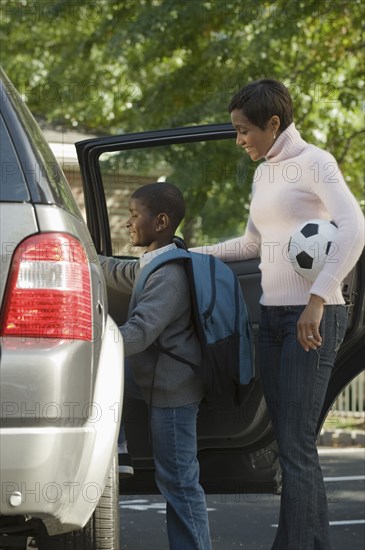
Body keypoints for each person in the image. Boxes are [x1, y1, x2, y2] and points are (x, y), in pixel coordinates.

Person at [194, 79, 364, 549]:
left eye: (244, 130)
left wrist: (317, 298)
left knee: (296, 446)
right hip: (271, 320)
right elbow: (252, 245)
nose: (239, 140)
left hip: (313, 318)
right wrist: (189, 254)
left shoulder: (316, 163)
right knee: (289, 447)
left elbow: (354, 227)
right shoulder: (264, 173)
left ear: (273, 124)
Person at [99, 182, 212, 550]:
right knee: (108, 379)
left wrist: (92, 343)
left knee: (178, 482)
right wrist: (82, 258)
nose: (127, 223)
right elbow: (120, 272)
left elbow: (140, 332)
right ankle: (118, 447)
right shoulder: (155, 261)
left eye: (135, 216)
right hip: (154, 378)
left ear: (160, 221)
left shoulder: (169, 275)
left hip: (172, 390)